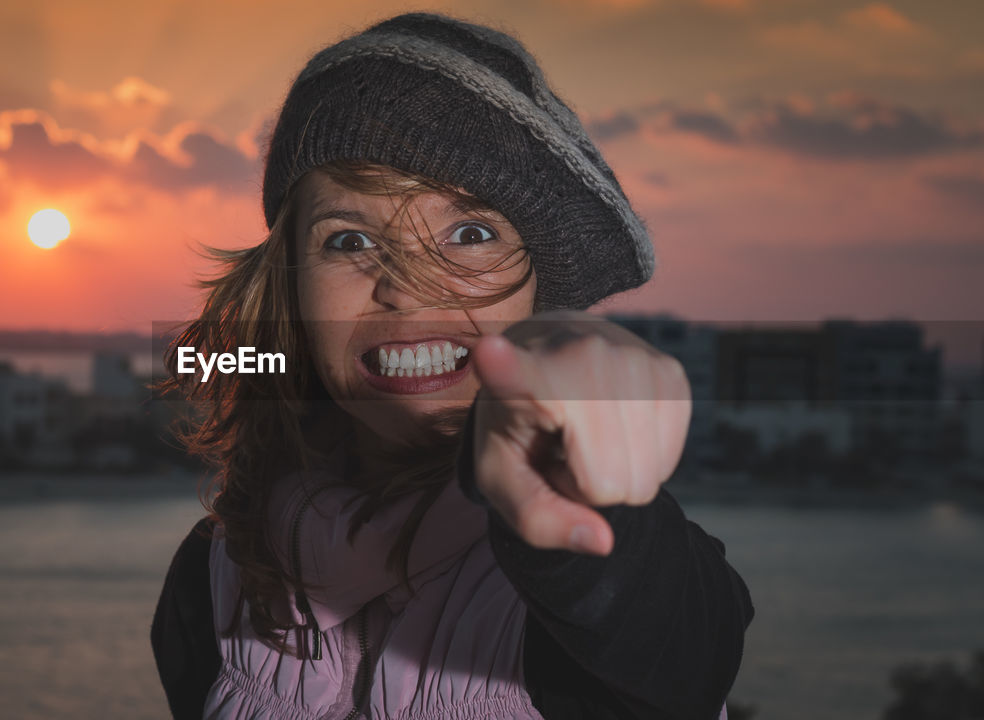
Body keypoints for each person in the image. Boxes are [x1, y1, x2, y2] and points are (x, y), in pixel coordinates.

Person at [152, 11, 753, 719]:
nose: (406, 287)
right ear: (288, 286)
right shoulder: (209, 578)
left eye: (469, 233)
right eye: (347, 240)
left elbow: (683, 650)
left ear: (542, 300)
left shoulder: (603, 570)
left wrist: (587, 504)